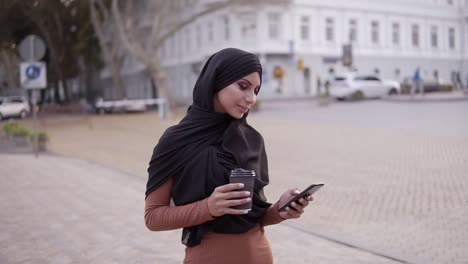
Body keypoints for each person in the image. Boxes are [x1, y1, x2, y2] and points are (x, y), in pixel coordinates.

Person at [145, 48, 314, 264]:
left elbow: (254, 217)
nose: (251, 98)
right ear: (216, 80)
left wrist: (280, 210)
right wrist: (208, 208)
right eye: (243, 86)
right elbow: (153, 217)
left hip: (261, 255)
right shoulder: (176, 140)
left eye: (256, 90)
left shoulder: (251, 139)